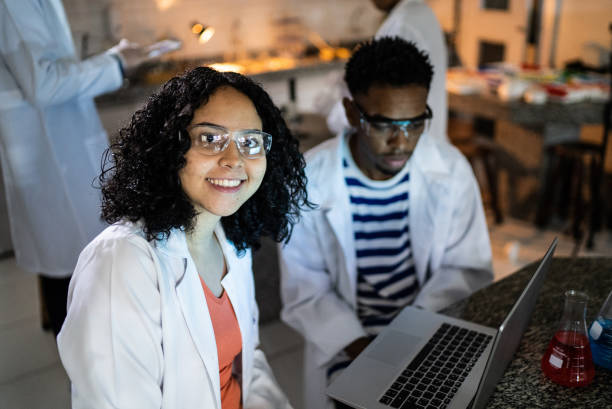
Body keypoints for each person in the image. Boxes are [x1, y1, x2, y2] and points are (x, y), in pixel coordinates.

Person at [57, 66, 309, 408]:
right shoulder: (121, 262)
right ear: (169, 147)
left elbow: (247, 363)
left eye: (250, 142)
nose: (234, 160)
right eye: (209, 138)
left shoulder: (229, 237)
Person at [279, 37, 492, 409]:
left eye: (414, 123)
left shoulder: (451, 170)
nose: (401, 141)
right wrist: (370, 354)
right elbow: (306, 290)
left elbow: (466, 270)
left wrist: (409, 342)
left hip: (430, 333)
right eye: (384, 124)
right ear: (351, 112)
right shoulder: (311, 180)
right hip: (348, 344)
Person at [0, 0, 153, 336]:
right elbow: (44, 84)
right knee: (75, 276)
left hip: (58, 154)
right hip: (52, 160)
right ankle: (84, 372)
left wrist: (113, 59)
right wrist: (116, 63)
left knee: (82, 267)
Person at [326, 0, 448, 143]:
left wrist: (335, 116)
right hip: (424, 141)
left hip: (413, 146)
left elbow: (376, 99)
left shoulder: (403, 25)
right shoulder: (421, 13)